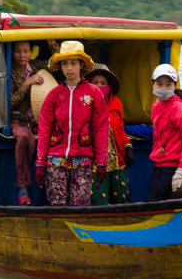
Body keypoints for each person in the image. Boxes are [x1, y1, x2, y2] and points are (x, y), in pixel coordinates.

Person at [36, 41, 109, 206]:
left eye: (73, 63)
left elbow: (101, 129)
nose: (69, 68)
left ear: (81, 65)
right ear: (60, 66)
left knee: (80, 204)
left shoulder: (93, 93)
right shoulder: (53, 95)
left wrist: (102, 162)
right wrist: (40, 162)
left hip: (83, 158)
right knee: (57, 204)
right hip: (55, 159)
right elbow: (45, 129)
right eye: (64, 63)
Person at [148, 63, 182, 201]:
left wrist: (181, 169)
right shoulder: (156, 105)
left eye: (168, 84)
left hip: (172, 166)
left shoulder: (177, 107)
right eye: (159, 84)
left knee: (154, 204)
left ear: (174, 86)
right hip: (159, 163)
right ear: (153, 83)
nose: (164, 88)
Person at [86, 63, 132, 204]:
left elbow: (120, 129)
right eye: (95, 83)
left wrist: (128, 147)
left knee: (120, 202)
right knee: (98, 202)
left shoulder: (116, 103)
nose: (99, 86)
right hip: (93, 162)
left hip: (117, 161)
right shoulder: (83, 103)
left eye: (103, 83)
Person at [9, 42, 45, 206]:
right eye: (17, 51)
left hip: (38, 118)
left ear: (31, 52)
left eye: (26, 51)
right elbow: (9, 103)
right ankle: (23, 188)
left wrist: (51, 41)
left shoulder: (36, 66)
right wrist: (26, 84)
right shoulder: (8, 72)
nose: (22, 55)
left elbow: (57, 63)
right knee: (24, 138)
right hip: (18, 119)